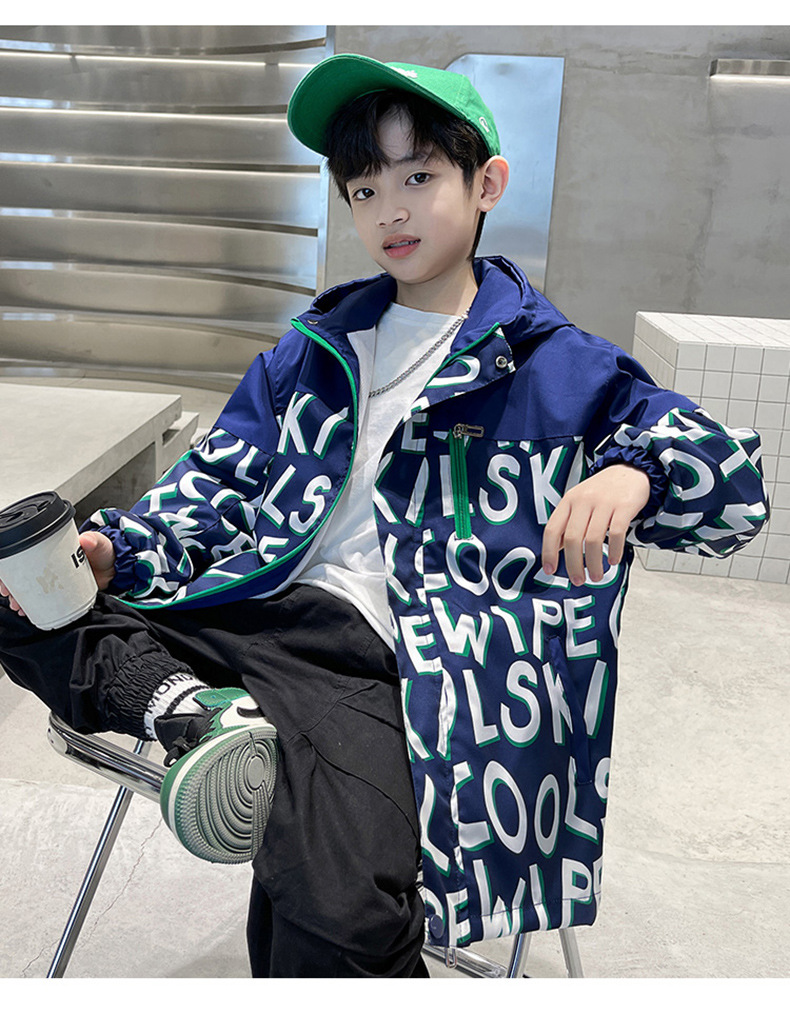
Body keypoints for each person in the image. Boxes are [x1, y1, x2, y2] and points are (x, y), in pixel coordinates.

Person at [0, 54, 769, 977]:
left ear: (486, 184)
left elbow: (733, 494)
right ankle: (188, 709)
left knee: (342, 909)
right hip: (253, 607)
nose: (390, 211)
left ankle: (204, 720)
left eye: (418, 178)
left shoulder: (560, 366)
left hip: (386, 659)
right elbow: (215, 485)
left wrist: (636, 470)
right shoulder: (316, 348)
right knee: (17, 591)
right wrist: (116, 550)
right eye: (365, 190)